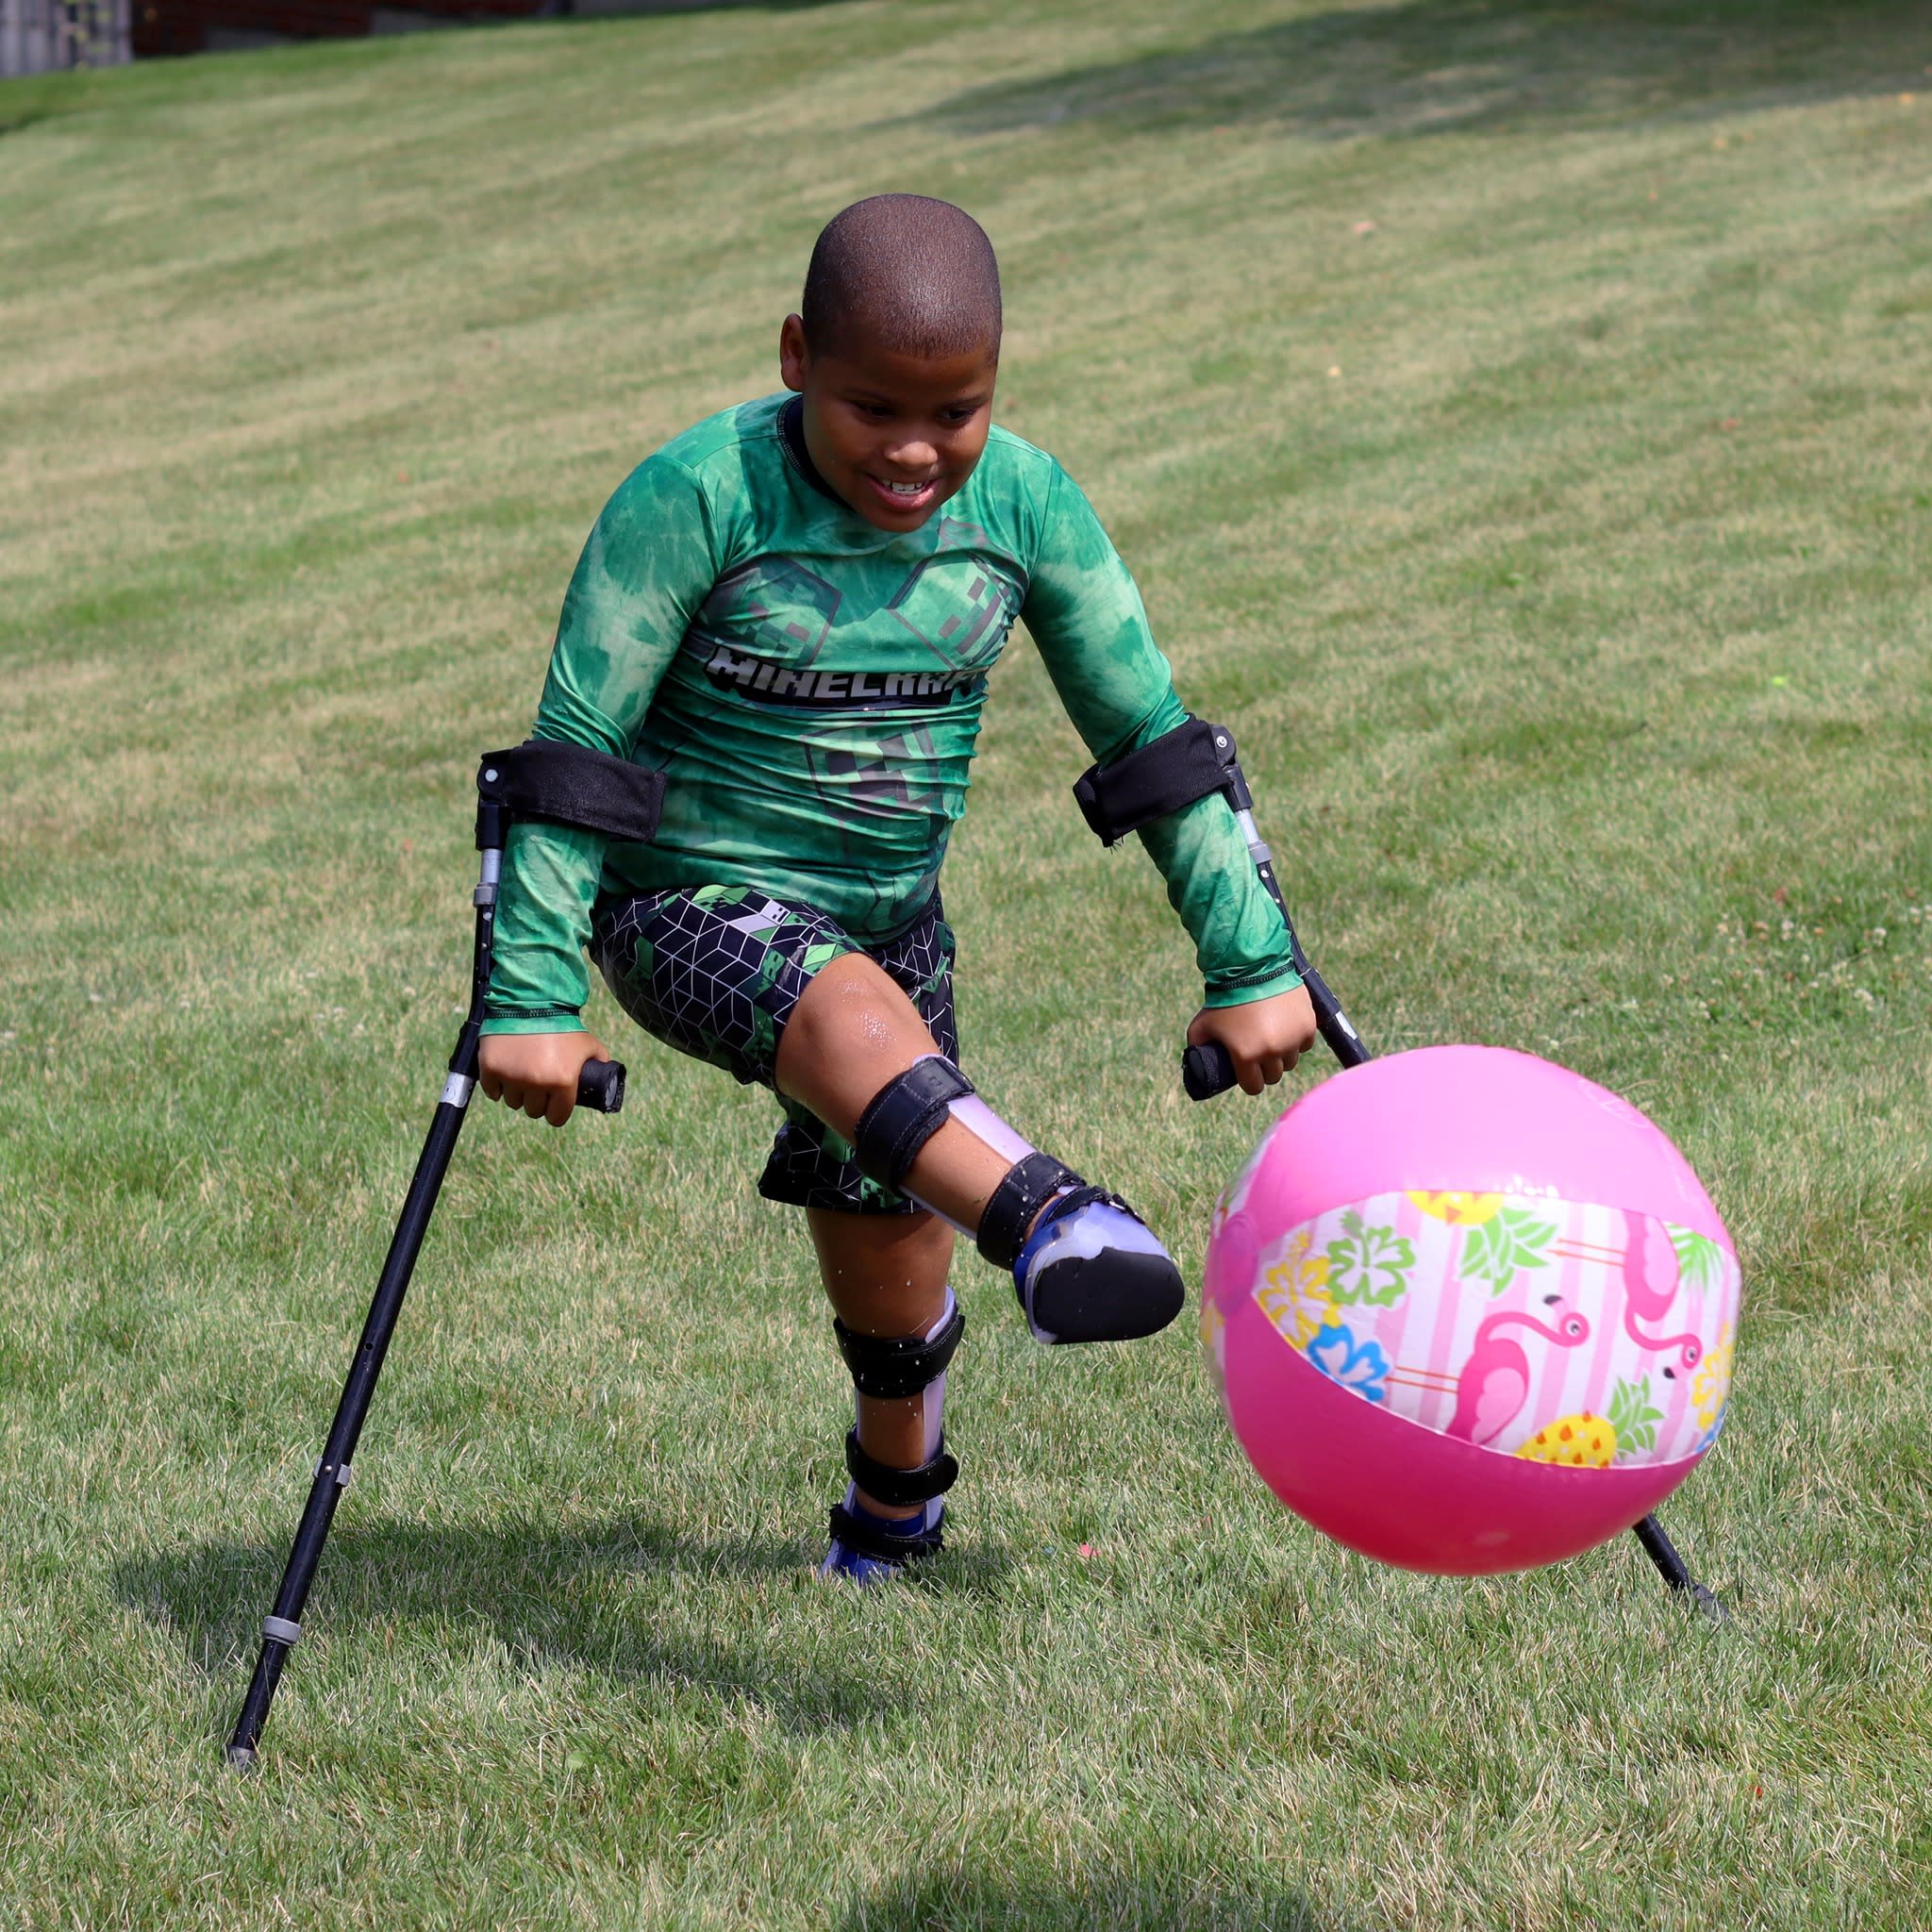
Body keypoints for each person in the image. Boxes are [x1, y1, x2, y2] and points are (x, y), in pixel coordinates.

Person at [475, 195, 1316, 1581]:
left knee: (882, 1228)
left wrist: (1254, 963)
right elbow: (575, 758)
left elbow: (1152, 740)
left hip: (891, 910)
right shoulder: (696, 497)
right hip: (682, 899)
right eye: (875, 409)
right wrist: (530, 994)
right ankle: (1054, 1217)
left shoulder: (1028, 504)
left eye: (958, 410)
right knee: (838, 1005)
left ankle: (894, 1508)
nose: (917, 452)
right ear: (797, 354)